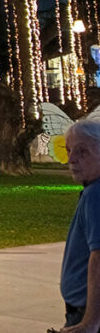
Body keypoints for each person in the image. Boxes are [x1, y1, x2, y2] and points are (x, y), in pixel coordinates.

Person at [59, 119, 100, 332]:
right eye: (69, 150)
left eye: (82, 151)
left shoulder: (95, 194)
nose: (71, 159)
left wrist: (90, 323)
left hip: (87, 314)